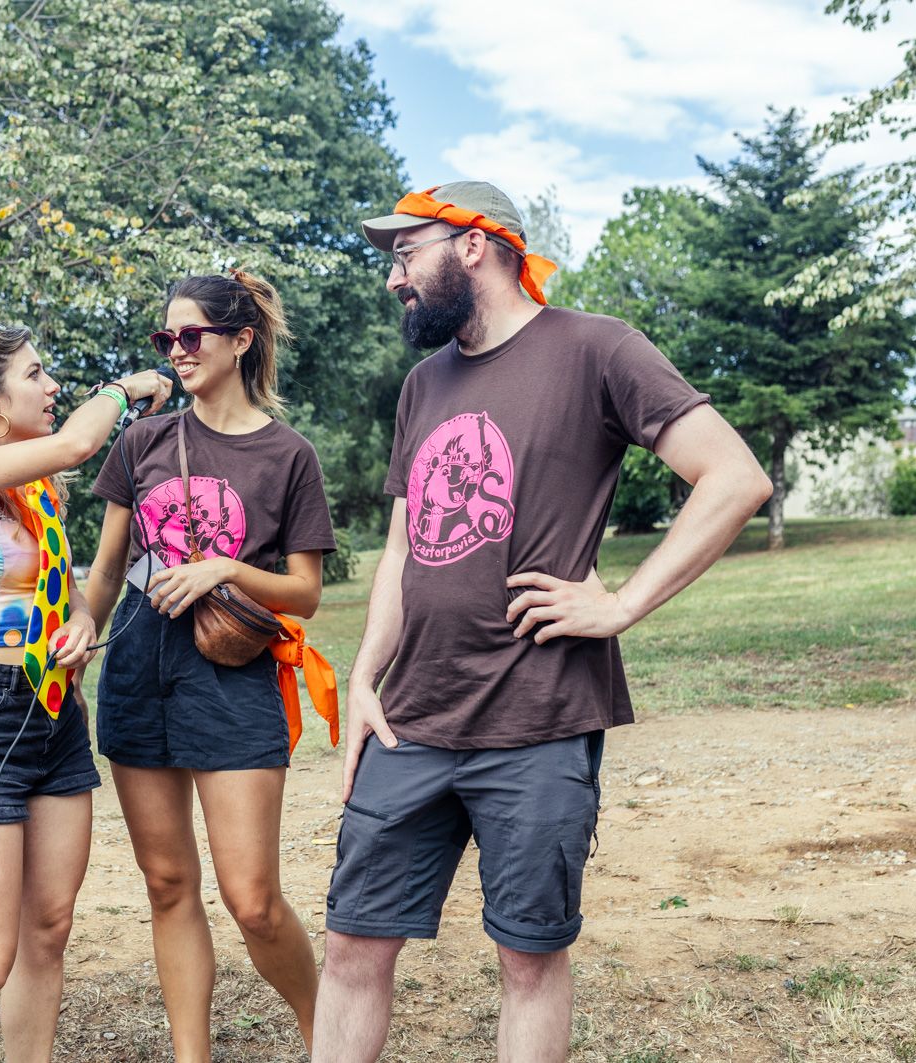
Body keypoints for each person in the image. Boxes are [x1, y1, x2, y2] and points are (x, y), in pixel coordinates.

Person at [311, 182, 775, 1063]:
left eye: (405, 253)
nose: (392, 279)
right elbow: (404, 553)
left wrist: (623, 603)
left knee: (528, 958)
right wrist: (365, 677)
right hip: (412, 717)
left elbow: (734, 476)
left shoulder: (597, 349)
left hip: (537, 722)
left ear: (475, 245)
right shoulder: (422, 385)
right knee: (350, 945)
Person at [0, 320, 171, 1063]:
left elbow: (51, 584)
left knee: (48, 930)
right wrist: (123, 387)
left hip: (52, 714)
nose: (52, 389)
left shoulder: (29, 480)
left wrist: (77, 621)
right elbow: (81, 441)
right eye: (37, 376)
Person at [84, 271, 337, 1060]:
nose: (176, 350)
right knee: (167, 885)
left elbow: (305, 592)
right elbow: (104, 569)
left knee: (253, 899)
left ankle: (330, 1035)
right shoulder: (144, 441)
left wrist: (224, 569)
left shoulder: (288, 454)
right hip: (134, 667)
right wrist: (77, 633)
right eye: (166, 338)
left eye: (191, 335)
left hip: (231, 678)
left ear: (240, 339)